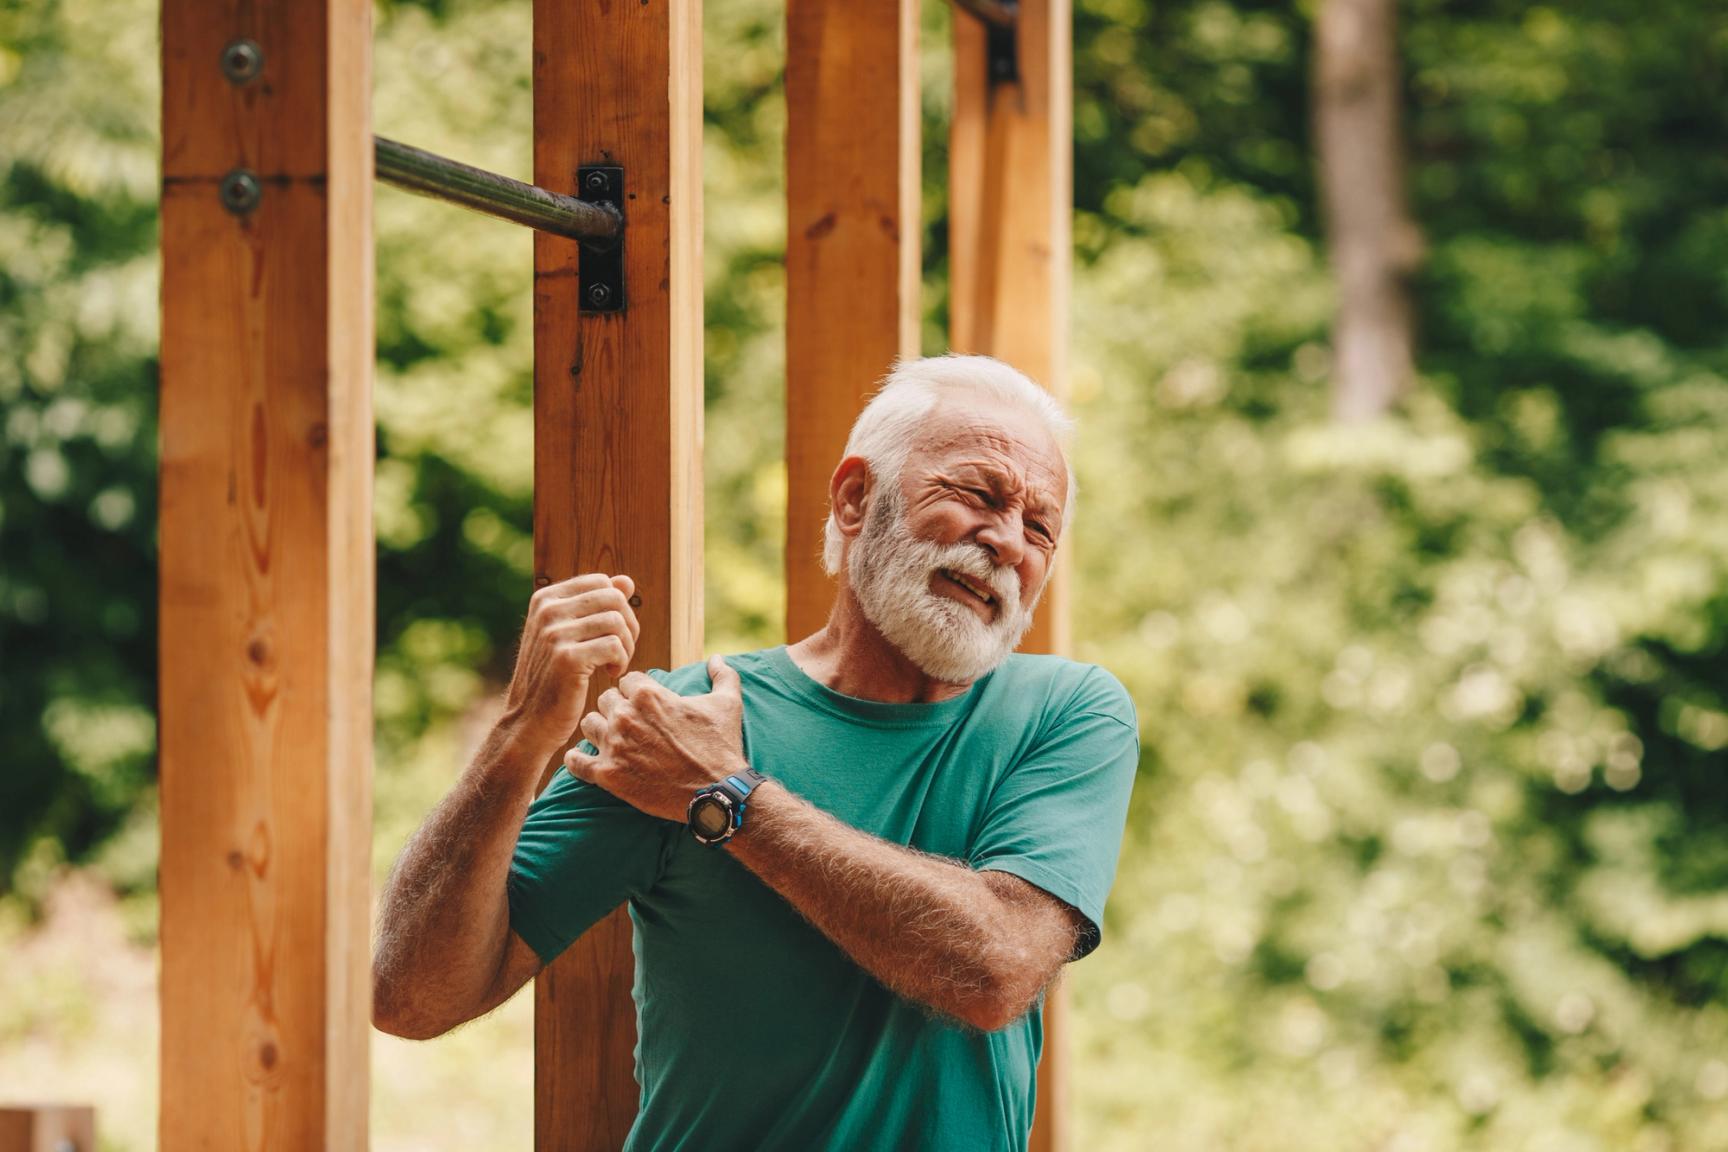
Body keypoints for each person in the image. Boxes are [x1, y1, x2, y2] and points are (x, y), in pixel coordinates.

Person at [372, 353, 1140, 1151]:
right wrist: (522, 732)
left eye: (1040, 527)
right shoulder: (672, 725)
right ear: (855, 498)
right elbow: (413, 999)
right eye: (977, 494)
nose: (1007, 541)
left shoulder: (1067, 713)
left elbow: (996, 968)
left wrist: (723, 797)